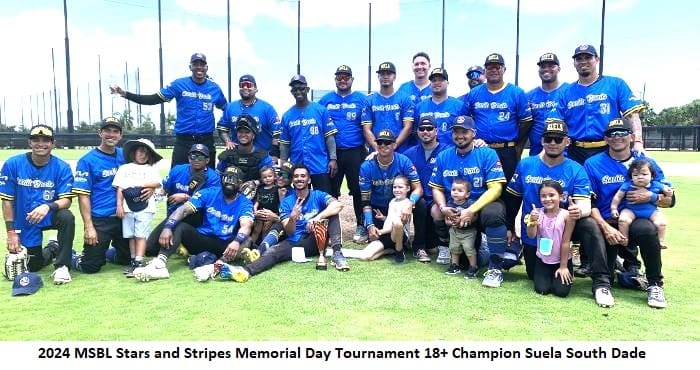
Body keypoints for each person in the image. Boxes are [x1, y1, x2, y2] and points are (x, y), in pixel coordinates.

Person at [503, 119, 615, 306]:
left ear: (567, 142)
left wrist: (577, 211)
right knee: (535, 280)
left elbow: (585, 204)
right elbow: (513, 199)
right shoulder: (526, 165)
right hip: (536, 233)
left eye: (558, 139)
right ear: (542, 141)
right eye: (549, 139)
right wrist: (509, 228)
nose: (553, 143)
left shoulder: (576, 169)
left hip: (564, 230)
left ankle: (601, 283)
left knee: (589, 224)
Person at [584, 119, 674, 308]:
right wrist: (606, 227)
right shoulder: (593, 163)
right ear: (605, 139)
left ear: (632, 137)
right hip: (608, 220)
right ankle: (602, 284)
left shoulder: (646, 161)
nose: (617, 138)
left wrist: (651, 197)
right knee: (592, 227)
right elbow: (589, 201)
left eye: (622, 133)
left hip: (637, 218)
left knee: (648, 229)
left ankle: (655, 284)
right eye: (612, 134)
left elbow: (670, 199)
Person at [223, 164, 350, 282]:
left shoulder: (318, 195)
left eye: (303, 176)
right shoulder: (287, 202)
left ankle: (337, 253)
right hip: (295, 241)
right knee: (273, 252)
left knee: (333, 214)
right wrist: (293, 218)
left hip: (315, 239)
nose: (299, 179)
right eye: (296, 176)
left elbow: (338, 205)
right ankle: (245, 272)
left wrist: (316, 218)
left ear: (309, 180)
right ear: (293, 180)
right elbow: (290, 231)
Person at [133, 166, 255, 282]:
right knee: (180, 226)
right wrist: (168, 227)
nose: (229, 182)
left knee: (246, 240)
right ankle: (160, 264)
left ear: (240, 183)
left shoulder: (245, 203)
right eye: (226, 178)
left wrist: (237, 241)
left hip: (224, 245)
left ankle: (215, 266)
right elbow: (183, 209)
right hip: (203, 239)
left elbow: (246, 225)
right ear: (221, 179)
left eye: (234, 180)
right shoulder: (209, 192)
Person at [429, 116, 511, 288]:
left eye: (464, 132)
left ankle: (495, 268)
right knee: (435, 210)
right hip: (454, 207)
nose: (460, 135)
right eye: (456, 132)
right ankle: (447, 248)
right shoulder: (444, 156)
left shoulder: (487, 153)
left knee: (494, 213)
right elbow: (436, 187)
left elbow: (496, 188)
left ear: (473, 133)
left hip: (480, 204)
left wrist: (472, 210)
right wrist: (444, 208)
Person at [110, 52, 226, 169]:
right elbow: (153, 99)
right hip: (184, 140)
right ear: (190, 67)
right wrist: (125, 94)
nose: (199, 67)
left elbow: (227, 109)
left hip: (206, 140)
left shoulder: (214, 88)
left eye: (202, 64)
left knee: (208, 178)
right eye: (195, 64)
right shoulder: (179, 84)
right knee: (176, 178)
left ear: (206, 67)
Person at [0, 124, 75, 284]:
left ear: (53, 143)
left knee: (66, 217)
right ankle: (53, 248)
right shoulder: (13, 164)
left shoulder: (62, 167)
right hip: (25, 219)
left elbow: (66, 200)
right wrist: (11, 232)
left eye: (46, 140)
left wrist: (47, 206)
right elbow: (7, 200)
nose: (41, 144)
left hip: (49, 214)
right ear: (30, 143)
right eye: (36, 140)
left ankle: (62, 266)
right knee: (33, 265)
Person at [550, 44, 646, 164]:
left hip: (609, 148)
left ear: (597, 59)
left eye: (588, 57)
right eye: (579, 59)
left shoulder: (615, 84)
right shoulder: (564, 92)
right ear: (574, 63)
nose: (583, 62)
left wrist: (637, 142)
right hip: (575, 152)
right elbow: (555, 124)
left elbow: (633, 115)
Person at [71, 117, 131, 273]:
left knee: (128, 259)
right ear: (100, 133)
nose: (111, 135)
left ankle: (107, 252)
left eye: (115, 131)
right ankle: (71, 256)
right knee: (90, 267)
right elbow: (83, 196)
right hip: (101, 219)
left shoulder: (125, 155)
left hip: (123, 216)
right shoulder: (87, 160)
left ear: (121, 135)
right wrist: (89, 227)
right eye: (107, 131)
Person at [359, 129, 428, 263]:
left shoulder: (403, 161)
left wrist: (410, 203)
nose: (383, 146)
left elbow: (418, 189)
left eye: (387, 143)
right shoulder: (366, 167)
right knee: (380, 237)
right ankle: (396, 248)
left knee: (421, 204)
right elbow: (365, 201)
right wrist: (370, 225)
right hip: (378, 209)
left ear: (394, 145)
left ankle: (419, 246)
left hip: (400, 205)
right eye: (380, 143)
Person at [318, 65, 369, 244]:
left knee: (358, 190)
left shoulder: (362, 99)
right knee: (331, 191)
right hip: (333, 154)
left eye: (346, 77)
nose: (343, 80)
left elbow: (368, 126)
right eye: (339, 77)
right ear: (335, 79)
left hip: (356, 151)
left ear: (352, 79)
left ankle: (361, 226)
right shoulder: (325, 100)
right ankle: (332, 229)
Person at [462, 53, 533, 180]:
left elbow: (526, 122)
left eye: (497, 67)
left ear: (504, 69)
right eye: (490, 67)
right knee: (480, 187)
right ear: (484, 71)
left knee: (509, 193)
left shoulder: (516, 92)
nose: (494, 70)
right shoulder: (474, 93)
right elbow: (466, 121)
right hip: (481, 149)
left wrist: (516, 142)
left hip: (507, 150)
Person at [144, 144, 220, 258]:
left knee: (178, 227)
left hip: (197, 217)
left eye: (201, 157)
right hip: (174, 214)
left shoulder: (213, 177)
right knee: (149, 249)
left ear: (207, 160)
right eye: (193, 156)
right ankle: (178, 243)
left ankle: (166, 254)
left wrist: (185, 197)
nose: (196, 159)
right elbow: (164, 190)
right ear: (189, 158)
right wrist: (152, 191)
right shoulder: (177, 170)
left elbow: (210, 203)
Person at [279, 74, 338, 194]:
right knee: (300, 200)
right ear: (292, 92)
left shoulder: (320, 110)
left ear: (307, 89)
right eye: (295, 89)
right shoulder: (287, 115)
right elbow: (285, 144)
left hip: (319, 165)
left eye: (301, 88)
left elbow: (329, 137)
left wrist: (333, 159)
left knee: (324, 200)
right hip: (297, 166)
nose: (298, 91)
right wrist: (284, 166)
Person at [112, 138, 163, 277]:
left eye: (147, 153)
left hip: (146, 207)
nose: (143, 155)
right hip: (127, 207)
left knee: (141, 234)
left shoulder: (151, 168)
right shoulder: (124, 168)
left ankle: (139, 260)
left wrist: (144, 185)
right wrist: (119, 206)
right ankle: (133, 259)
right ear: (133, 152)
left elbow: (158, 183)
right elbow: (120, 188)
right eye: (140, 151)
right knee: (131, 235)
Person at [403, 116, 450, 262]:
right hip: (419, 202)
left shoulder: (447, 151)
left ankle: (446, 245)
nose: (425, 132)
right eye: (422, 129)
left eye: (429, 128)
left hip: (438, 201)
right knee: (421, 204)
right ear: (417, 132)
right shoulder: (409, 154)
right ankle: (418, 247)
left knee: (433, 245)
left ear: (436, 131)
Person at [525, 180, 575, 297]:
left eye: (551, 195)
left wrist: (563, 267)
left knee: (561, 292)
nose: (547, 199)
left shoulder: (567, 215)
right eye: (543, 196)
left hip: (561, 260)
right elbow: (531, 235)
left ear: (561, 196)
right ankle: (546, 275)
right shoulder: (537, 213)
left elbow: (565, 241)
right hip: (543, 258)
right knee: (541, 289)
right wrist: (532, 221)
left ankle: (561, 272)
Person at [610, 159, 671, 248]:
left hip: (651, 210)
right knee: (623, 220)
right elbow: (618, 196)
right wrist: (614, 208)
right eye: (635, 175)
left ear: (652, 176)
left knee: (661, 223)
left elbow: (667, 190)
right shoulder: (627, 185)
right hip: (631, 210)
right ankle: (624, 239)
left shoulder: (656, 184)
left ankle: (661, 241)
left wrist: (668, 192)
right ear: (631, 176)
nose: (640, 177)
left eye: (644, 174)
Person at [216, 74, 280, 158]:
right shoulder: (230, 107)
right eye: (242, 85)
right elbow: (222, 129)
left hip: (263, 157)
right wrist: (228, 141)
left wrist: (274, 155)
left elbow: (277, 134)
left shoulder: (267, 108)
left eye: (249, 85)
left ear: (256, 89)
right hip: (238, 156)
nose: (245, 88)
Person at [362, 62, 415, 153]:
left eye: (389, 74)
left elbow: (408, 126)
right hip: (377, 149)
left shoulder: (405, 98)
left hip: (400, 150)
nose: (385, 76)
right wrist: (377, 148)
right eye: (382, 74)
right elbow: (366, 129)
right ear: (378, 77)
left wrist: (394, 145)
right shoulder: (369, 100)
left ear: (394, 76)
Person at [361, 175, 413, 261]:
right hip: (388, 235)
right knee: (365, 257)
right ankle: (389, 251)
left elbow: (397, 224)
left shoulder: (407, 204)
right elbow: (390, 221)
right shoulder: (392, 202)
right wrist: (384, 218)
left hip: (400, 235)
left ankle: (399, 251)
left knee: (397, 222)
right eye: (394, 187)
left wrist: (380, 232)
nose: (397, 190)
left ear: (408, 188)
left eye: (400, 187)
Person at [526, 53, 569, 156]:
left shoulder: (569, 91)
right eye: (543, 66)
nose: (546, 69)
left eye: (551, 66)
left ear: (559, 69)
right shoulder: (529, 96)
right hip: (536, 152)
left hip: (564, 153)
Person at [216, 114, 274, 181]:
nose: (243, 135)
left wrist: (256, 183)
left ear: (253, 135)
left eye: (247, 132)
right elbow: (217, 178)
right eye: (240, 132)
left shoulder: (264, 157)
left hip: (255, 189)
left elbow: (270, 181)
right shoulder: (226, 155)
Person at [414, 68, 464, 145]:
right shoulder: (419, 107)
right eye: (434, 80)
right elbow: (415, 132)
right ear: (430, 84)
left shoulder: (459, 105)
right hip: (426, 151)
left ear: (447, 83)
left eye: (440, 80)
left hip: (450, 151)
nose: (437, 83)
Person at [443, 179, 479, 279]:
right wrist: (450, 223)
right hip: (454, 231)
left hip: (469, 232)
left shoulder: (470, 204)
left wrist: (465, 221)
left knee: (469, 248)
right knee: (454, 248)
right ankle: (455, 265)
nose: (455, 192)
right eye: (453, 189)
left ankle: (473, 267)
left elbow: (475, 217)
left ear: (467, 194)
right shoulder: (449, 204)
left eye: (460, 190)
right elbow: (446, 220)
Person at [250, 166, 281, 245]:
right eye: (264, 177)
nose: (267, 178)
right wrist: (255, 208)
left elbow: (280, 202)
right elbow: (258, 200)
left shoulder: (276, 188)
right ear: (261, 178)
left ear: (274, 177)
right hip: (261, 211)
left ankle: (263, 245)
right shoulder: (260, 188)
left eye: (270, 176)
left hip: (272, 213)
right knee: (256, 229)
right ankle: (251, 244)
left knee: (266, 228)